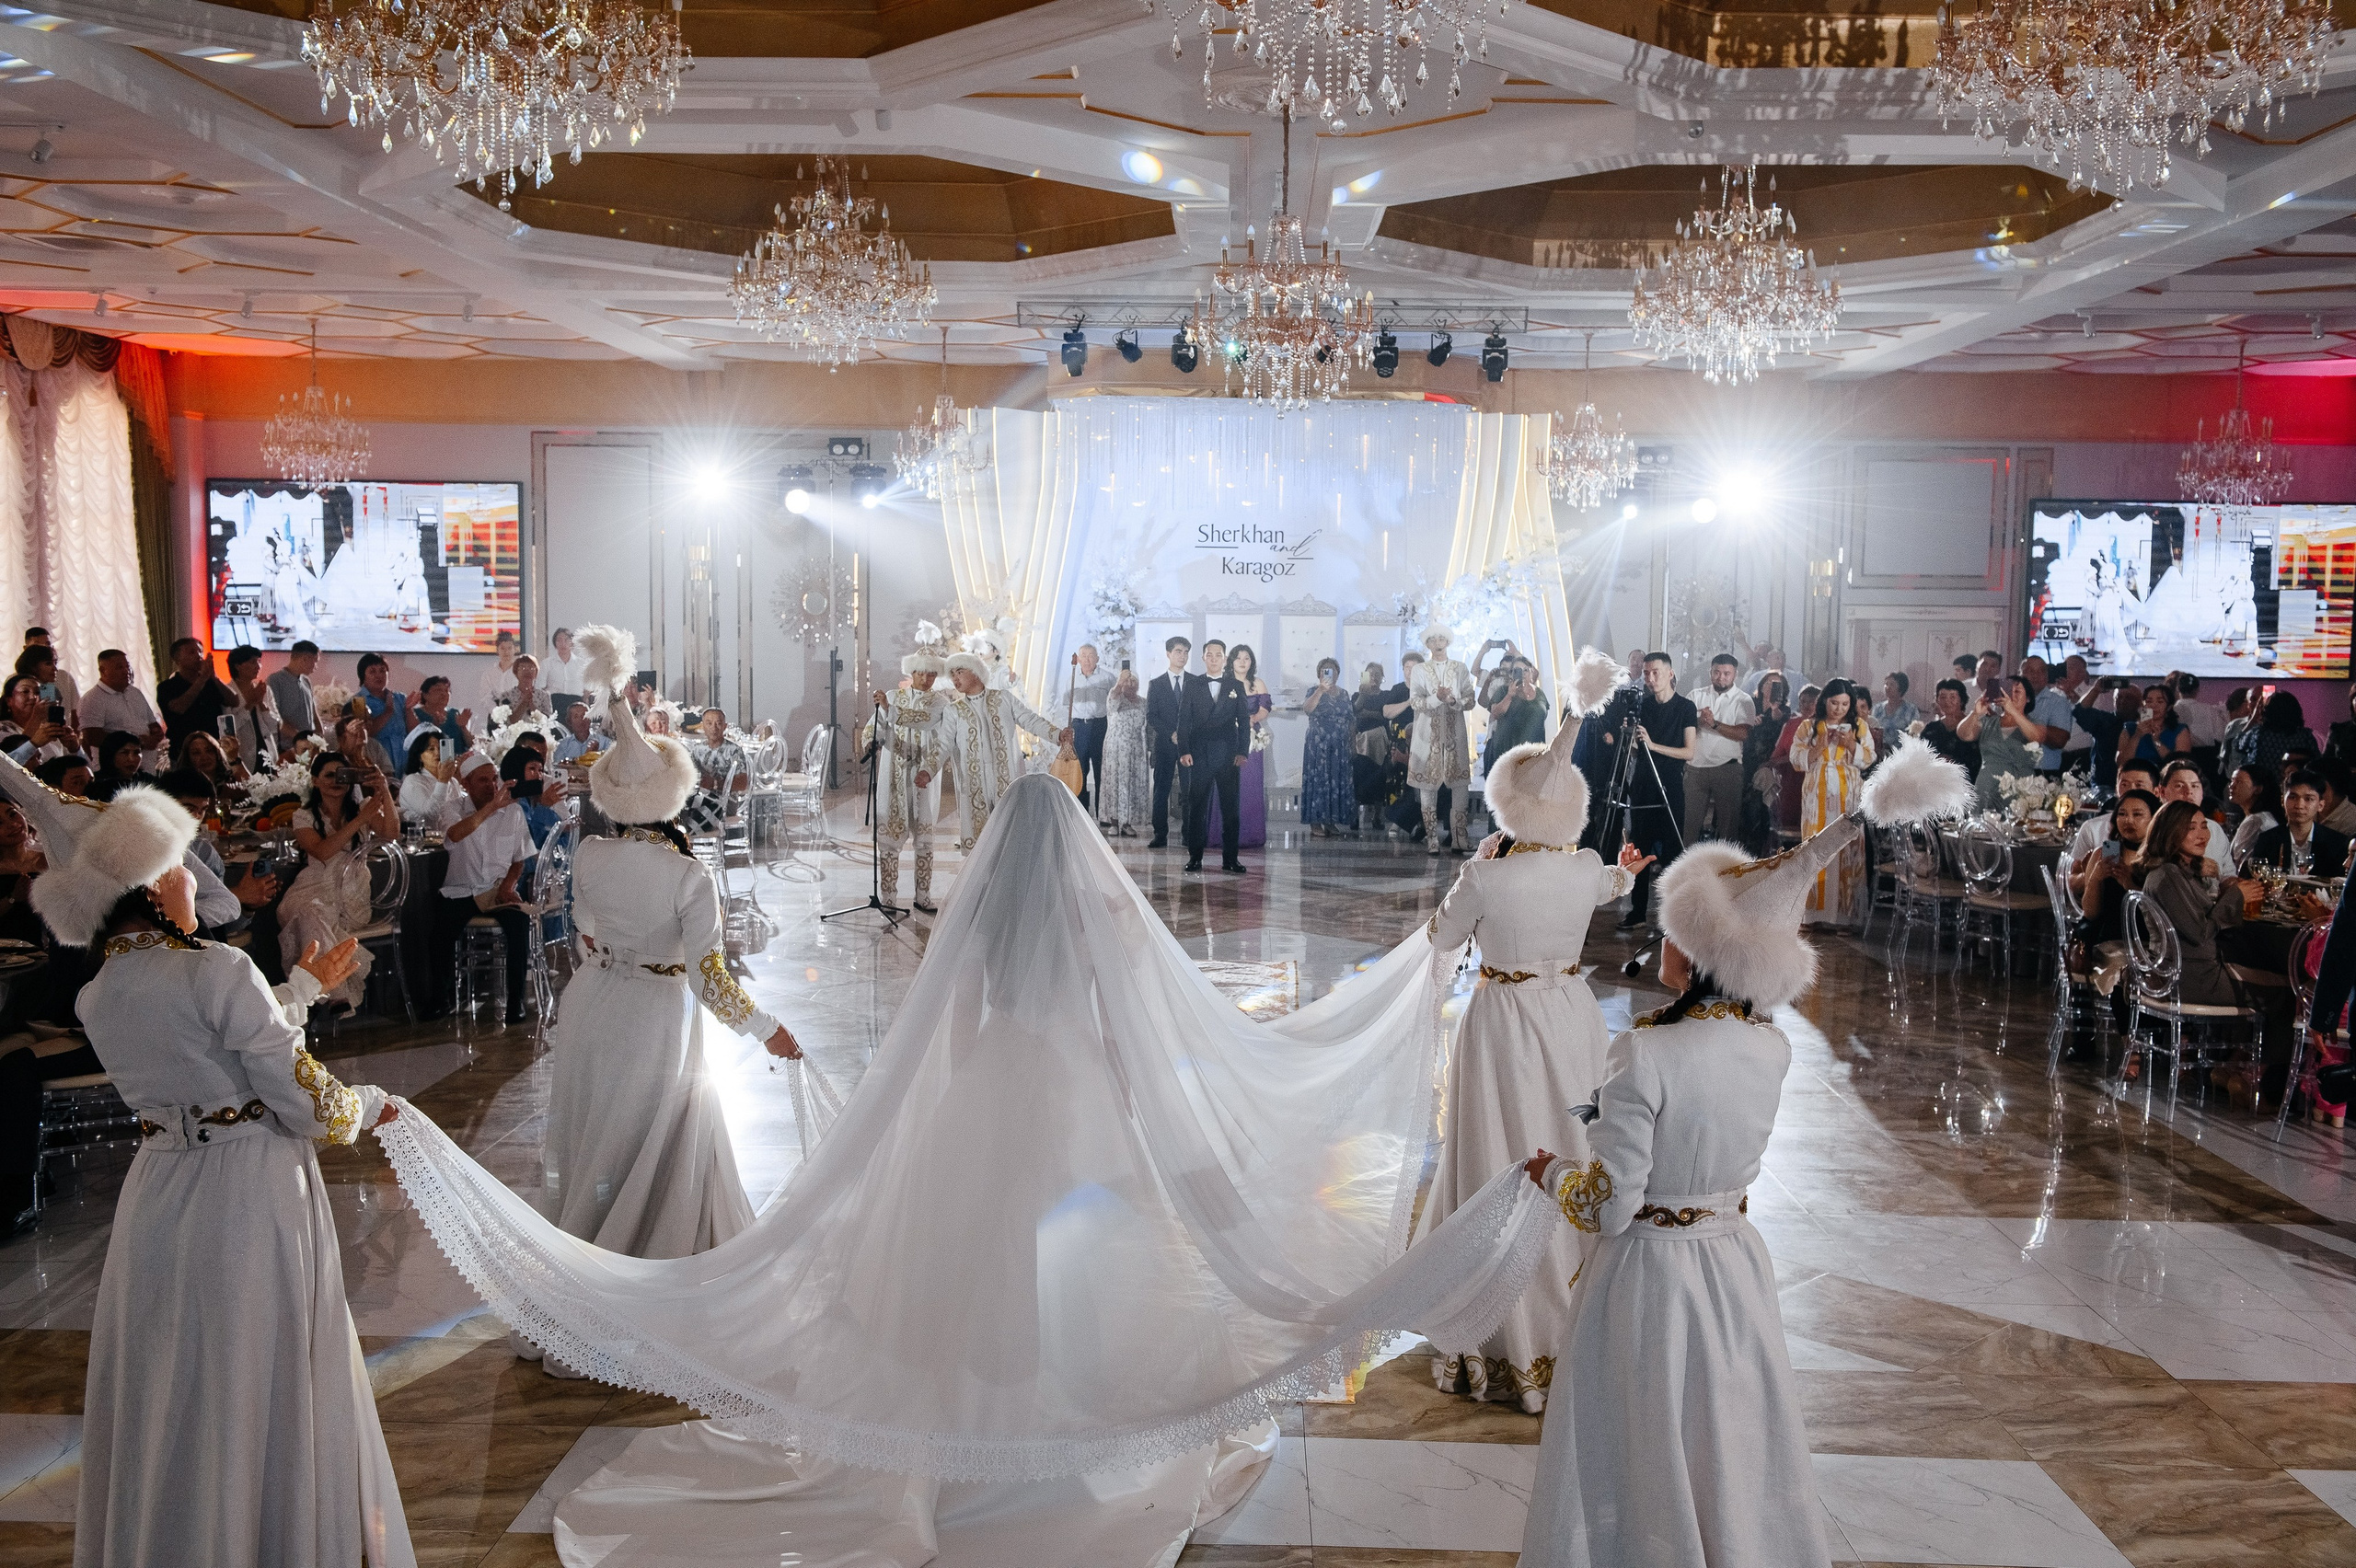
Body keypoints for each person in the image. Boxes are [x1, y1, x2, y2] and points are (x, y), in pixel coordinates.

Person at [365, 772, 1557, 1564]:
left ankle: (966, 1425)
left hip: (993, 1083)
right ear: (1082, 857)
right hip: (1076, 1090)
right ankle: (1058, 1431)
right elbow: (1137, 1031)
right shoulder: (1100, 922)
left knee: (972, 1256)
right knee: (1079, 1263)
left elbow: (949, 1030)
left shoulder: (977, 922)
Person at [1519, 736, 1971, 1568]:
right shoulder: (1771, 1049)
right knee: (1726, 1434)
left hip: (1651, 1278)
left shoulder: (1644, 1053)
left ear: (1692, 952)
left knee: (1640, 1434)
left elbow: (1612, 1205)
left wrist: (1552, 1176)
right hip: (1732, 1267)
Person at [32, 784, 413, 1567]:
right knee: (254, 1374)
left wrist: (302, 988)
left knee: (181, 1375)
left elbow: (202, 1050)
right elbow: (301, 1101)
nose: (192, 882)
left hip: (162, 1191)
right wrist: (367, 1107)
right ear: (145, 885)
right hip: (248, 1190)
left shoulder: (99, 991)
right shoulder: (218, 966)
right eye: (178, 869)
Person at [525, 623, 803, 1291]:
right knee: (653, 1136)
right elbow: (711, 981)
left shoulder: (589, 853)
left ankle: (589, 1263)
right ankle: (647, 1263)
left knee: (598, 1137)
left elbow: (586, 929)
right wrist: (769, 1030)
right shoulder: (688, 877)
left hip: (593, 1003)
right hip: (655, 1015)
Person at [1420, 651, 1644, 1412]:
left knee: (1500, 1152)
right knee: (1573, 1146)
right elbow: (1614, 884)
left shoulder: (1488, 875)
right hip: (1571, 1015)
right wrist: (1629, 873)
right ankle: (1580, 1313)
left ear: (1506, 802)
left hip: (1503, 1019)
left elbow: (1442, 940)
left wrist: (1471, 869)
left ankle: (1501, 1332)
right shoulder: (1585, 866)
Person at [282, 749, 398, 1012]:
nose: (336, 781)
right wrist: (361, 819)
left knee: (312, 915)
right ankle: (336, 994)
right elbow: (323, 852)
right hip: (312, 887)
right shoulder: (303, 816)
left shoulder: (360, 809)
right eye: (329, 775)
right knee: (310, 911)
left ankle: (321, 995)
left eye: (343, 776)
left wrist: (384, 792)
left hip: (352, 895)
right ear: (315, 781)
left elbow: (391, 834)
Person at [427, 749, 535, 1025]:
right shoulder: (453, 809)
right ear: (466, 785)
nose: (491, 786)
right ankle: (440, 1000)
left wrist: (509, 886)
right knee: (439, 924)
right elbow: (455, 834)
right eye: (483, 781)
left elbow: (518, 861)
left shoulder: (514, 812)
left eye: (494, 779)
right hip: (461, 891)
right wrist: (491, 809)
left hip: (496, 890)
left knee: (519, 924)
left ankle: (515, 1003)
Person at [2134, 800, 2264, 1014]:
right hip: (2188, 978)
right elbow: (2200, 932)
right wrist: (2235, 896)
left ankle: (2234, 1047)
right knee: (2284, 998)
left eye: (2204, 826)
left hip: (2195, 971)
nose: (2202, 835)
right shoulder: (2168, 875)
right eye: (2190, 828)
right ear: (2170, 832)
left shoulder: (2182, 871)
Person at [930, 650, 1067, 853]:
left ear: (975, 672)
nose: (955, 679)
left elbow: (1030, 720)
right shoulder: (953, 710)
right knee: (980, 842)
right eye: (952, 675)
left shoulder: (1003, 699)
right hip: (974, 780)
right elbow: (943, 744)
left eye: (959, 672)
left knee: (1011, 834)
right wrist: (928, 770)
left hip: (1007, 777)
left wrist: (1058, 735)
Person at [1605, 651, 1697, 928]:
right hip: (1643, 785)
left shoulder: (1685, 707)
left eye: (1655, 672)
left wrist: (1653, 745)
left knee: (1671, 852)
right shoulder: (1642, 706)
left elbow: (1689, 752)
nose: (1650, 678)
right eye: (1646, 673)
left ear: (1670, 673)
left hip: (1669, 786)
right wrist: (1630, 739)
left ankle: (1673, 916)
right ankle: (1637, 911)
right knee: (1639, 850)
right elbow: (1635, 753)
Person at [865, 641, 946, 913]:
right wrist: (871, 740)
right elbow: (874, 725)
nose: (926, 679)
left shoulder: (940, 703)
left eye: (931, 674)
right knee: (889, 836)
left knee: (924, 838)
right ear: (912, 672)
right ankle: (888, 898)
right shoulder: (892, 696)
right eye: (921, 673)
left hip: (923, 774)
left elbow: (923, 720)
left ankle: (922, 895)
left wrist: (891, 710)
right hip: (893, 774)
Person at [1789, 678, 1876, 925]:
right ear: (1824, 701)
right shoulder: (1809, 726)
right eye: (1834, 703)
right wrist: (1819, 747)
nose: (1838, 709)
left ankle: (1846, 917)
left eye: (1844, 704)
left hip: (1848, 793)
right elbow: (1796, 759)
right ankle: (1814, 915)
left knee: (1846, 849)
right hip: (1817, 793)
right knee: (1816, 846)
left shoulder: (1859, 727)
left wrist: (1851, 746)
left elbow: (1869, 758)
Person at [1406, 624, 1477, 855]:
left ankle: (1459, 838)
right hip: (1427, 738)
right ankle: (1432, 840)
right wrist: (1437, 699)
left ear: (1447, 641)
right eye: (1432, 640)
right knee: (1428, 788)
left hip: (1454, 736)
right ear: (1427, 644)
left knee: (1460, 788)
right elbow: (1416, 702)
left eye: (1441, 639)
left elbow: (1470, 699)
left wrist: (1454, 701)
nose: (1437, 643)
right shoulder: (1419, 670)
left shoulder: (1459, 668)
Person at [1181, 638, 1250, 874]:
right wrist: (1184, 750)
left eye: (1218, 655)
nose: (1213, 659)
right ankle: (1195, 857)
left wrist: (1243, 751)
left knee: (1230, 808)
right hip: (1199, 754)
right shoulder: (1192, 685)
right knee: (1196, 806)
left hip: (1228, 754)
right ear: (1203, 658)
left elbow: (1244, 720)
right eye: (1209, 655)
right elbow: (1183, 721)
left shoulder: (1235, 686)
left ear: (1224, 658)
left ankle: (1230, 858)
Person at [1202, 643, 1269, 852]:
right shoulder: (1224, 683)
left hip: (1252, 740)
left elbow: (1265, 707)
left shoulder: (1257, 683)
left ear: (1251, 662)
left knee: (1249, 785)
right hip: (1226, 739)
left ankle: (1249, 834)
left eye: (1247, 658)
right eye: (1238, 658)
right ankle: (1220, 834)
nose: (1242, 662)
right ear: (1231, 661)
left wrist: (1253, 719)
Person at [2073, 788, 2159, 951]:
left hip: (2150, 938)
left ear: (2154, 819)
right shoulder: (2108, 852)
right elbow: (2090, 913)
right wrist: (2095, 879)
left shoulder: (2160, 856)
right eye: (2122, 814)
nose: (2128, 821)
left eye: (2137, 814)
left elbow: (2166, 912)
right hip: (2108, 937)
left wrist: (2131, 886)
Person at [1684, 651, 1754, 847]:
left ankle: (1725, 873)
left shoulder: (1744, 700)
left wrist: (1714, 724)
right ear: (1710, 672)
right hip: (1695, 767)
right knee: (1688, 825)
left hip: (1727, 768)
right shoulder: (1695, 695)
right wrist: (1700, 721)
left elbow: (1743, 733)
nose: (1721, 677)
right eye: (1717, 672)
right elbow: (1684, 728)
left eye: (1726, 673)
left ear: (1735, 675)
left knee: (1728, 828)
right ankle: (1685, 871)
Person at [2246, 768, 2351, 879]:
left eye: (2308, 799)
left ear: (2321, 805)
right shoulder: (2267, 839)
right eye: (2293, 797)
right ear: (2282, 801)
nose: (2299, 805)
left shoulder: (2336, 843)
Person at [1144, 635, 1196, 849]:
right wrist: (1171, 734)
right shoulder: (1156, 684)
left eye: (1185, 652)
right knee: (1161, 790)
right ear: (1168, 654)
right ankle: (1160, 834)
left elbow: (1200, 714)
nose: (1182, 656)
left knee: (1189, 790)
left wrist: (1185, 734)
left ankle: (1188, 833)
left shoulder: (1195, 682)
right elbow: (1152, 716)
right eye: (1178, 652)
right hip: (1164, 745)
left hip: (1189, 745)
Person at [1960, 677, 2042, 811]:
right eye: (2008, 691)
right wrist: (1975, 713)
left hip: (2020, 787)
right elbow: (1964, 735)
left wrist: (2013, 711)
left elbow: (2037, 737)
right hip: (1987, 786)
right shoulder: (1989, 722)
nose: (2011, 696)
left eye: (2017, 692)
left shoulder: (2035, 723)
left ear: (2028, 698)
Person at [1299, 656, 1357, 836]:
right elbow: (1307, 709)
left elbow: (1351, 720)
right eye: (1326, 670)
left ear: (1338, 674)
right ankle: (1315, 823)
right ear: (1319, 674)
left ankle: (1331, 821)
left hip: (1339, 745)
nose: (1330, 674)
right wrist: (1320, 691)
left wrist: (1352, 744)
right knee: (1318, 781)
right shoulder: (1313, 691)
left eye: (1333, 670)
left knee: (1336, 780)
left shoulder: (1344, 694)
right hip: (1318, 744)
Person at [79, 648, 164, 764]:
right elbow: (92, 737)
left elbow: (151, 722)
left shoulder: (135, 692)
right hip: (114, 769)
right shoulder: (92, 699)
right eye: (119, 667)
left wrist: (156, 732)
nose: (126, 671)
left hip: (146, 766)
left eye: (127, 666)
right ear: (103, 670)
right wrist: (138, 741)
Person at [1739, 671, 1792, 853]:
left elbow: (1781, 732)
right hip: (1745, 758)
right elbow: (1739, 725)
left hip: (1768, 762)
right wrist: (1749, 722)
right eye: (1769, 684)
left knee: (1760, 802)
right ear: (1761, 686)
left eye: (1778, 686)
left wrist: (1774, 709)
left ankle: (1760, 844)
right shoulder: (1750, 705)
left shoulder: (1784, 711)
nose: (1772, 688)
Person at [2160, 757, 2239, 875]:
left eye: (2195, 786)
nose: (2188, 792)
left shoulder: (2214, 829)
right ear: (2162, 792)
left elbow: (2228, 874)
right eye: (2179, 786)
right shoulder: (2156, 828)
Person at [1061, 643, 1114, 813]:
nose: (1087, 659)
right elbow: (1065, 705)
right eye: (1083, 655)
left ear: (1097, 659)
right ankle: (1081, 811)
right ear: (1078, 658)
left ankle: (1103, 812)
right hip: (1079, 727)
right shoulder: (1072, 678)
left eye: (1091, 655)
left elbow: (1114, 703)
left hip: (1100, 726)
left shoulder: (1107, 678)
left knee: (1101, 769)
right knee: (1080, 769)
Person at [156, 635, 233, 747]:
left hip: (214, 746)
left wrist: (214, 677)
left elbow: (234, 701)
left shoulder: (210, 682)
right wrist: (201, 679)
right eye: (192, 652)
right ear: (178, 659)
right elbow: (179, 708)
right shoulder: (167, 686)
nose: (199, 656)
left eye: (201, 652)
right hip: (183, 749)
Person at [220, 642, 279, 774]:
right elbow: (229, 730)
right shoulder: (226, 692)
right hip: (243, 755)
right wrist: (250, 703)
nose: (258, 666)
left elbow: (275, 726)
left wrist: (262, 704)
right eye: (253, 662)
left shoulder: (264, 690)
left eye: (259, 662)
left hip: (267, 752)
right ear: (238, 666)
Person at [2017, 655, 2076, 775]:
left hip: (2043, 773)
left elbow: (2059, 741)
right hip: (2009, 771)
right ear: (2020, 674)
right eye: (2031, 671)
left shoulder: (2058, 702)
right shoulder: (2008, 700)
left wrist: (2023, 720)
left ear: (2047, 676)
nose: (2036, 676)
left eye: (2041, 671)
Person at [2244, 691, 2321, 780]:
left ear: (2268, 711)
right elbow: (2316, 763)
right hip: (2294, 784)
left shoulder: (2259, 733)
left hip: (2264, 786)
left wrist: (2253, 719)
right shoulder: (2305, 735)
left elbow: (2237, 744)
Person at [354, 652, 410, 774]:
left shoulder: (399, 697)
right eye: (372, 671)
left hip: (404, 755)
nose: (378, 675)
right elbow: (363, 733)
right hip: (378, 756)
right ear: (363, 676)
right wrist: (388, 712)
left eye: (382, 670)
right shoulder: (358, 701)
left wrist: (409, 709)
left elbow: (412, 731)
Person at [2119, 681, 2192, 771]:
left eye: (2160, 701)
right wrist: (2137, 736)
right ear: (2143, 705)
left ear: (2169, 707)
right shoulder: (2130, 728)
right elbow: (2121, 763)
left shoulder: (2180, 730)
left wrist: (2156, 741)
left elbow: (2181, 765)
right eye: (2149, 701)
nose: (2154, 705)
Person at [0, 673, 67, 767]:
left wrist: (74, 748)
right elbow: (9, 764)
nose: (33, 697)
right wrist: (37, 718)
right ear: (9, 700)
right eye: (25, 691)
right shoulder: (3, 729)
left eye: (37, 692)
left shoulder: (46, 728)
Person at [1921, 676, 1980, 782]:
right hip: (1935, 783)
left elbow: (1977, 759)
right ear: (1937, 700)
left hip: (1965, 783)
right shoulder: (1931, 729)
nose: (1947, 701)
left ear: (1962, 700)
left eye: (1952, 697)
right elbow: (1921, 757)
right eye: (1943, 697)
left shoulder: (1972, 726)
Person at [407, 674, 473, 764]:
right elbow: (416, 741)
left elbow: (471, 744)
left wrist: (463, 728)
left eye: (446, 691)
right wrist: (435, 725)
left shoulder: (455, 713)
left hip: (458, 765)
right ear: (425, 695)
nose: (443, 694)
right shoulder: (415, 713)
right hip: (430, 765)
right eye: (438, 690)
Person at [398, 731, 461, 821]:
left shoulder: (453, 781)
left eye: (441, 749)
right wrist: (443, 781)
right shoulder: (412, 781)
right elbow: (430, 814)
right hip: (422, 833)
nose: (437, 753)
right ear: (420, 756)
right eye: (431, 749)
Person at [267, 638, 320, 744]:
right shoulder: (275, 680)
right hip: (288, 746)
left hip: (308, 745)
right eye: (315, 662)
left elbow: (313, 713)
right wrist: (300, 738)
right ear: (305, 659)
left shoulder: (306, 681)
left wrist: (320, 735)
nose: (315, 667)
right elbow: (275, 716)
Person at [2229, 763, 2284, 859]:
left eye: (2239, 782)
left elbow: (2239, 861)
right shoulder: (2259, 817)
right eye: (2232, 781)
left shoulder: (2256, 821)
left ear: (2258, 789)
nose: (2232, 786)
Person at [87, 731, 156, 802]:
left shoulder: (148, 781)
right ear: (110, 755)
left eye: (136, 752)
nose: (131, 759)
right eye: (125, 753)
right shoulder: (96, 785)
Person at [544, 626, 590, 718]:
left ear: (572, 643)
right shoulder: (547, 663)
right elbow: (540, 687)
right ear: (555, 643)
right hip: (555, 702)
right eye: (559, 640)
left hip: (576, 702)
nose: (563, 644)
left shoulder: (581, 663)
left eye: (566, 640)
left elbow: (587, 689)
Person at [1870, 669, 1917, 755]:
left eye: (1892, 684)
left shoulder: (1911, 710)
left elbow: (1914, 736)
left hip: (1901, 755)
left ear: (1901, 687)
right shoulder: (1877, 709)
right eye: (1886, 684)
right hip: (1878, 754)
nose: (1887, 687)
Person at [477, 628, 522, 716]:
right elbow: (486, 697)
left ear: (515, 649)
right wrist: (496, 712)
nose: (506, 652)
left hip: (516, 712)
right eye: (503, 648)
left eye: (509, 648)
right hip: (495, 714)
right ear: (497, 650)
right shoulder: (489, 673)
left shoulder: (520, 672)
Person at [496, 652, 551, 721]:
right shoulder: (506, 696)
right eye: (523, 668)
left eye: (531, 668)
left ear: (536, 673)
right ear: (516, 672)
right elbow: (509, 721)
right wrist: (524, 703)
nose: (527, 671)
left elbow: (547, 722)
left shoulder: (544, 696)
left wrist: (531, 704)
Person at [554, 701, 595, 766]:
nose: (581, 720)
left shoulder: (605, 742)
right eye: (576, 717)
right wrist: (587, 755)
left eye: (584, 716)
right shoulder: (562, 746)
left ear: (590, 719)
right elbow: (559, 768)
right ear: (569, 722)